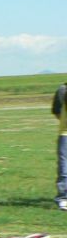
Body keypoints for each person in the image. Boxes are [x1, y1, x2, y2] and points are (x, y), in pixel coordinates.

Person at [53, 80, 67, 210]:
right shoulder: (63, 89)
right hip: (65, 134)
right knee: (64, 169)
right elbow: (57, 111)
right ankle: (63, 198)